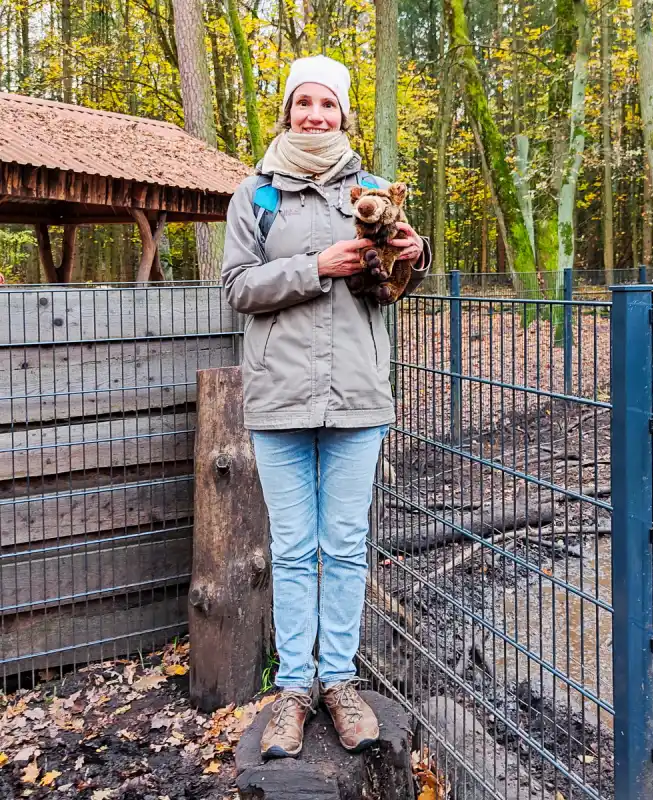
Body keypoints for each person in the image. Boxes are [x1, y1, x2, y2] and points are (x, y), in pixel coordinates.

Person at [220, 54, 430, 760]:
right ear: (287, 111)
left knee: (343, 546)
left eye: (328, 105)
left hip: (357, 396)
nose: (315, 114)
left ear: (344, 115)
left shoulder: (371, 190)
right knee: (292, 548)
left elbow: (392, 282)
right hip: (278, 396)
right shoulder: (256, 195)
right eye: (303, 103)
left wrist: (414, 255)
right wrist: (315, 268)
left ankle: (339, 682)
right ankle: (295, 689)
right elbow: (237, 288)